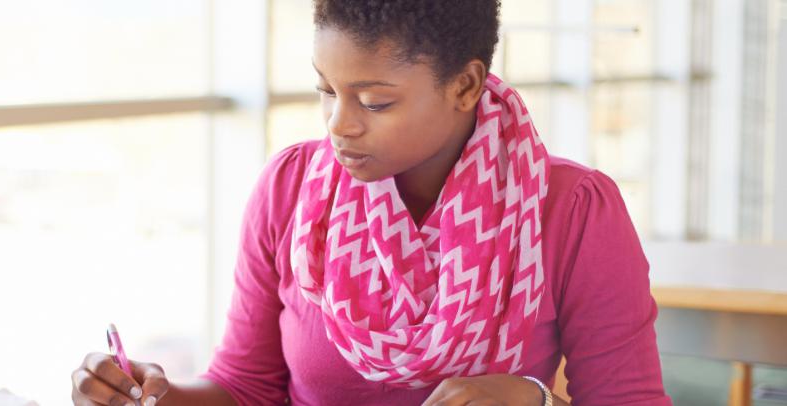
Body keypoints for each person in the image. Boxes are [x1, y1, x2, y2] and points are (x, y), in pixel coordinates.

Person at [71, 0, 671, 404]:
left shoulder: (571, 209)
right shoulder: (291, 189)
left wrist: (536, 400)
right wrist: (154, 394)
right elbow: (246, 387)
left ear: (464, 85)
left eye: (375, 102)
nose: (339, 125)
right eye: (326, 90)